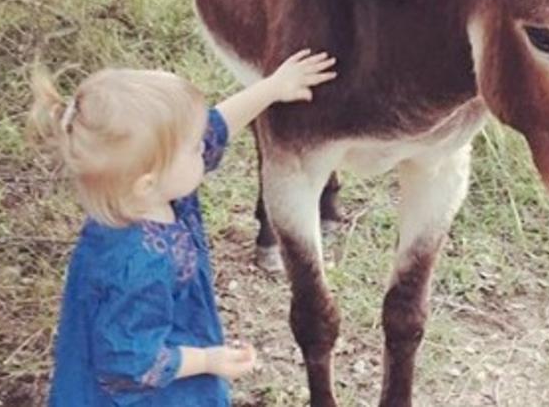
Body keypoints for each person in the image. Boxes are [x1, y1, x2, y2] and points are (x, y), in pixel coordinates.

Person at [29, 49, 337, 406]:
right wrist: (208, 360)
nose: (203, 146)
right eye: (193, 148)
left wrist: (272, 88)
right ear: (148, 182)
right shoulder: (136, 263)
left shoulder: (148, 196)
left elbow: (217, 126)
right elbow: (131, 362)